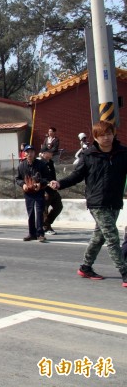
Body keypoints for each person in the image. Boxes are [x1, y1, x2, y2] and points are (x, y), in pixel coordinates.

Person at [50, 121, 127, 288]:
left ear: (114, 134)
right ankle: (125, 273)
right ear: (96, 137)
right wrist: (60, 184)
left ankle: (85, 267)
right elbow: (76, 176)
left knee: (99, 237)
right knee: (112, 238)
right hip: (97, 203)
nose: (106, 137)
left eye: (109, 133)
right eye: (102, 135)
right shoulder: (88, 155)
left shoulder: (123, 153)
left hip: (115, 202)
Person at [16, 145, 50, 242]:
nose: (29, 154)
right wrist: (23, 185)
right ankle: (32, 233)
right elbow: (17, 179)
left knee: (39, 213)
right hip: (28, 193)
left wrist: (40, 183)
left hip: (39, 192)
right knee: (30, 213)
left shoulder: (41, 164)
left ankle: (40, 234)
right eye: (27, 152)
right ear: (24, 153)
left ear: (35, 153)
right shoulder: (21, 165)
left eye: (31, 152)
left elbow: (47, 178)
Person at [40, 148, 63, 235]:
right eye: (49, 152)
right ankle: (46, 227)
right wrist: (46, 185)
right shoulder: (40, 163)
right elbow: (38, 177)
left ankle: (46, 223)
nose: (51, 153)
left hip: (53, 189)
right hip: (45, 189)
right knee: (44, 209)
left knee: (58, 206)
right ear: (43, 153)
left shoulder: (51, 162)